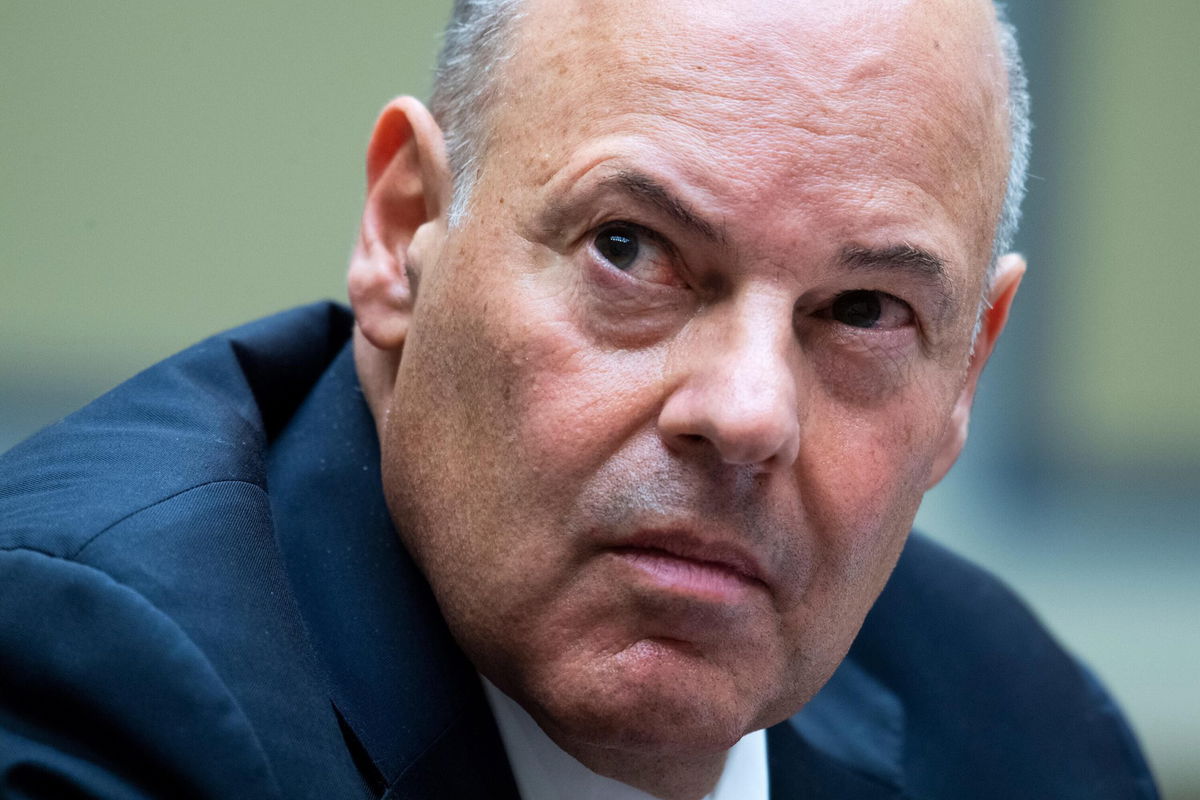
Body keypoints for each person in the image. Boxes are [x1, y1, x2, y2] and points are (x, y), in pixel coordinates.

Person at [0, 0, 1159, 798]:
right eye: (631, 247)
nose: (749, 411)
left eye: (861, 311)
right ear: (407, 225)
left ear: (966, 372)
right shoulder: (103, 683)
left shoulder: (1030, 735)